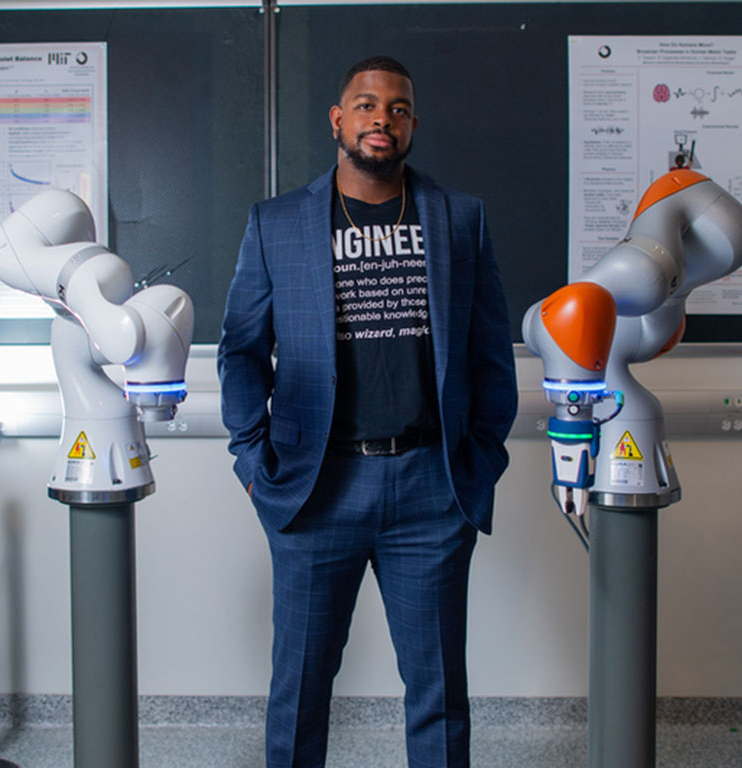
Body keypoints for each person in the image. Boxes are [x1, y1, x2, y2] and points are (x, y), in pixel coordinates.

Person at [218, 55, 518, 768]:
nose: (381, 118)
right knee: (300, 692)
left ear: (412, 124)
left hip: (430, 490)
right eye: (366, 105)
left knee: (439, 694)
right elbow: (240, 351)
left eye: (398, 108)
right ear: (338, 120)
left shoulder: (458, 220)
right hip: (315, 488)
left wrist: (479, 461)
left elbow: (490, 354)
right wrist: (252, 461)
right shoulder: (278, 223)